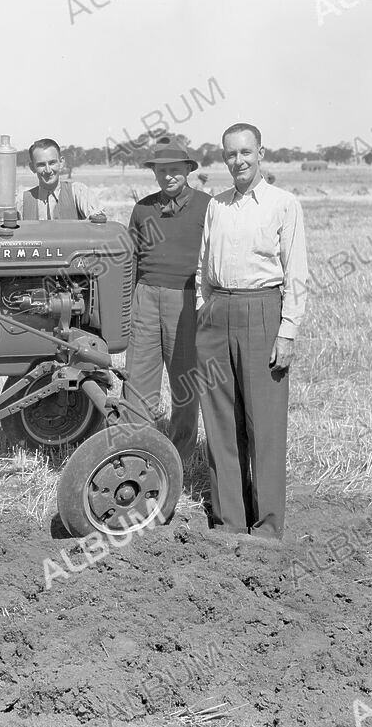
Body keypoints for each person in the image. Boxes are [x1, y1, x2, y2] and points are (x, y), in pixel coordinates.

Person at [196, 122, 308, 539]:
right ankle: (229, 523)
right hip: (217, 311)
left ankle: (266, 529)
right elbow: (203, 264)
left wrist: (288, 331)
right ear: (223, 158)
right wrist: (203, 308)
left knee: (263, 424)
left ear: (261, 153)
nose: (238, 161)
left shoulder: (283, 204)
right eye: (230, 154)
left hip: (263, 310)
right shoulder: (216, 205)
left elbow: (296, 273)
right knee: (221, 422)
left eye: (246, 152)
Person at [123, 140, 211, 465]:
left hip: (186, 299)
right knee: (136, 382)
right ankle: (135, 456)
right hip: (145, 297)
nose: (169, 176)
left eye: (175, 169)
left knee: (185, 385)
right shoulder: (142, 209)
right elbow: (130, 260)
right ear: (155, 173)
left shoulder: (207, 206)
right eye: (162, 171)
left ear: (188, 170)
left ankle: (179, 460)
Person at [20, 138, 107, 221]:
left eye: (52, 163)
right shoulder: (22, 201)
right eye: (41, 165)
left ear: (61, 163)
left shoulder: (77, 192)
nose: (48, 170)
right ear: (32, 167)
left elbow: (98, 224)